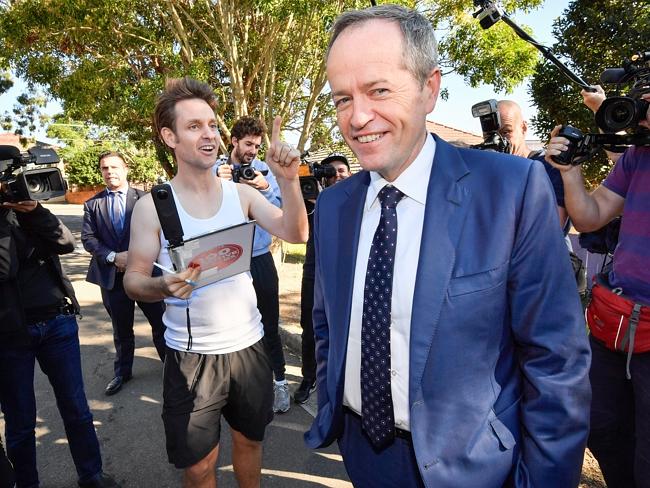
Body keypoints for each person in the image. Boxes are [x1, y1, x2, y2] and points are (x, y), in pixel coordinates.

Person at [304, 5, 591, 487]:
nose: (357, 116)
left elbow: (556, 357)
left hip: (473, 469)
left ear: (429, 89)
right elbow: (327, 322)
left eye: (378, 90)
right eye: (341, 99)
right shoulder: (333, 206)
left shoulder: (511, 189)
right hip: (361, 451)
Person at [123, 77, 307, 487]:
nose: (208, 135)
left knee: (250, 442)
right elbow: (133, 281)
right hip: (191, 359)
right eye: (194, 126)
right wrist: (161, 286)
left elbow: (296, 233)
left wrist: (289, 181)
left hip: (249, 349)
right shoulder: (152, 208)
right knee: (199, 467)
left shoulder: (240, 195)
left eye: (211, 124)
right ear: (169, 136)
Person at [546, 88, 650, 488]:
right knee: (600, 426)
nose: (639, 113)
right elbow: (590, 217)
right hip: (618, 325)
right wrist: (569, 172)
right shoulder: (637, 157)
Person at [0, 199, 119, 487]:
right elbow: (4, 268)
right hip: (10, 334)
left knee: (77, 409)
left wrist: (37, 212)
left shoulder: (31, 213)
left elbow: (66, 243)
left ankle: (91, 475)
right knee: (21, 422)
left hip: (57, 322)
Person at [216, 116, 289, 413]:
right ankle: (236, 387)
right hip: (226, 261)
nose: (252, 152)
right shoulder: (214, 170)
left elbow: (281, 212)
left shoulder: (264, 173)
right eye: (248, 144)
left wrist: (264, 187)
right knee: (230, 325)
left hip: (259, 258)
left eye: (257, 146)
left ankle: (281, 383)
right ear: (234, 141)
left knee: (269, 324)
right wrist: (215, 185)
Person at [82, 151, 166, 396]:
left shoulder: (146, 200)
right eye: (105, 168)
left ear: (126, 168)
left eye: (114, 167)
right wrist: (113, 257)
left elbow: (161, 231)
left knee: (161, 324)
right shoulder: (93, 204)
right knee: (121, 329)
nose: (110, 172)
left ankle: (172, 368)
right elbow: (88, 239)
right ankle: (122, 372)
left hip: (147, 274)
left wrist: (137, 255)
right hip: (112, 277)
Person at [295, 153, 351, 405]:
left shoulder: (360, 199)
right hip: (315, 269)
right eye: (332, 171)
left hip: (347, 271)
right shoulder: (312, 200)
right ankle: (309, 377)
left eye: (342, 170)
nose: (337, 174)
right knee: (310, 325)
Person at [497, 100, 568, 225]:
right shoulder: (488, 169)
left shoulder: (549, 165)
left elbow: (553, 227)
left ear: (523, 128)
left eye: (506, 132)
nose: (499, 140)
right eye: (492, 135)